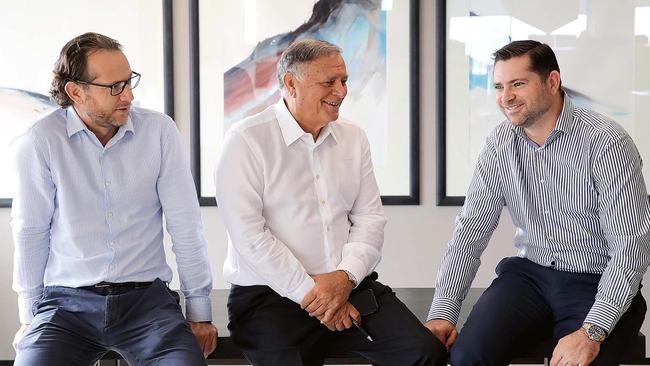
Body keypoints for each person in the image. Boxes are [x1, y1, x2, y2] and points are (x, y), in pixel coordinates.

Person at [215, 38, 444, 366]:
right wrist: (318, 296)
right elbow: (249, 236)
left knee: (424, 353)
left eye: (344, 80)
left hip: (347, 282)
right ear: (291, 84)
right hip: (270, 296)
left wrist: (345, 278)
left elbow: (370, 219)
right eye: (329, 82)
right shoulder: (245, 141)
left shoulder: (354, 137)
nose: (341, 91)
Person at [425, 39, 650, 366]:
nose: (506, 97)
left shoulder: (606, 142)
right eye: (499, 86)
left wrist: (593, 331)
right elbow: (470, 232)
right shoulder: (499, 143)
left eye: (518, 84)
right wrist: (443, 312)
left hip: (596, 280)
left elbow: (632, 244)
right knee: (465, 357)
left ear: (552, 82)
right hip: (528, 276)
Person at [10, 32, 217, 365]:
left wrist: (200, 311)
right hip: (66, 306)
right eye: (115, 87)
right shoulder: (41, 140)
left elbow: (186, 226)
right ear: (76, 92)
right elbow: (31, 231)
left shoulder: (159, 132)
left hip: (148, 304)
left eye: (129, 81)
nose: (129, 95)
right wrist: (28, 317)